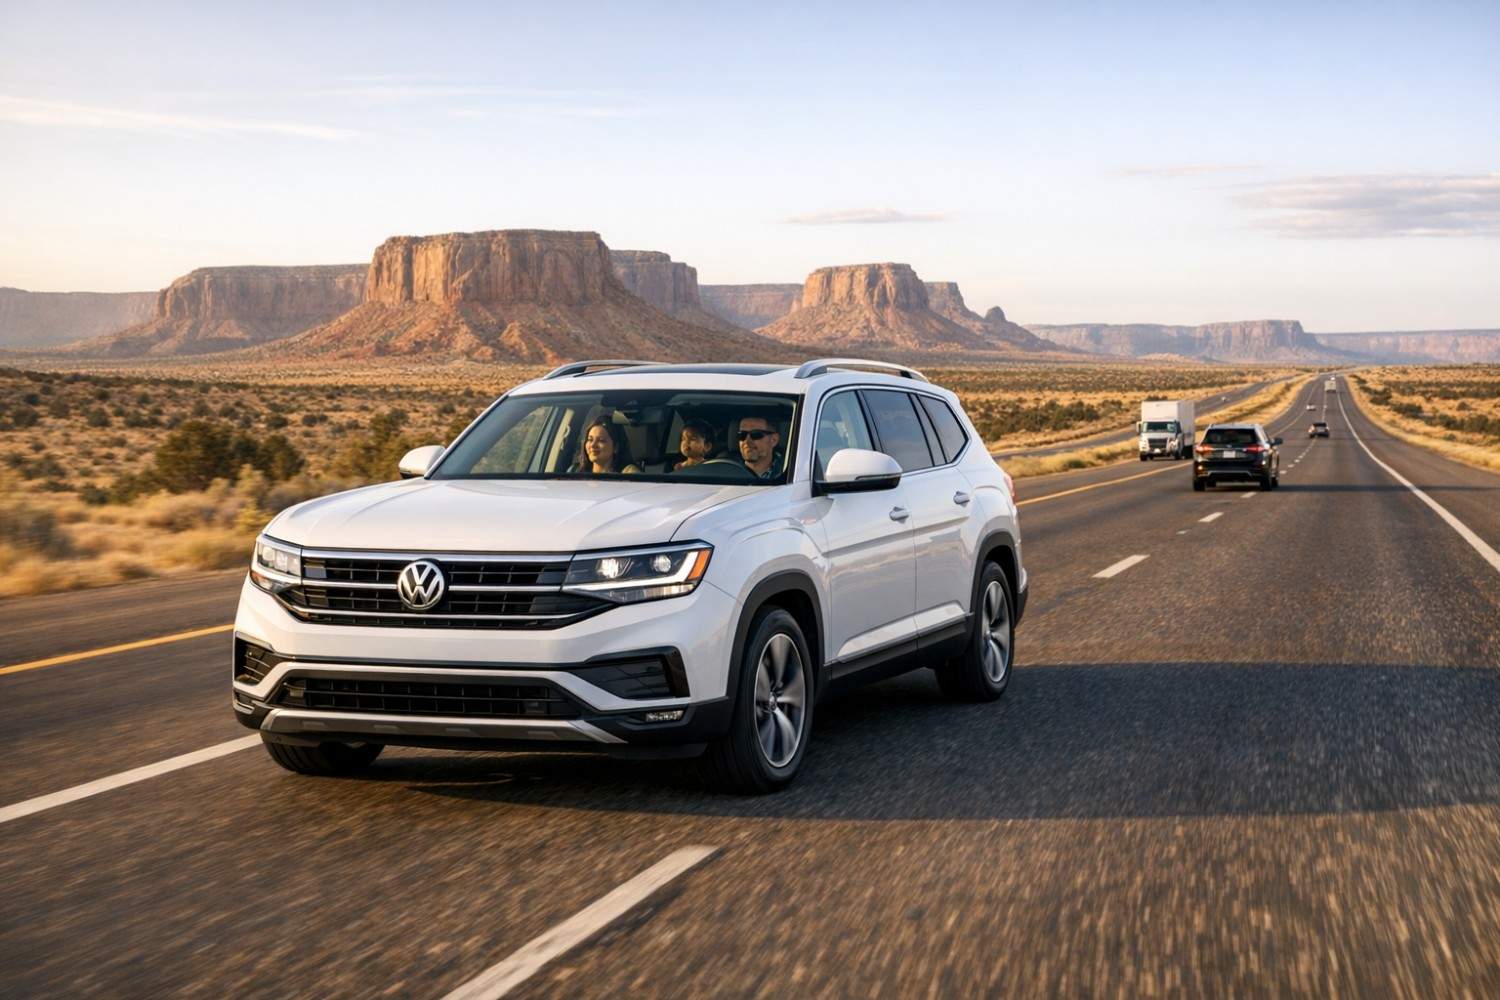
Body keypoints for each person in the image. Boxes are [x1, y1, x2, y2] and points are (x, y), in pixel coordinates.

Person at [575, 417, 640, 475]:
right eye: (590, 439)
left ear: (616, 447)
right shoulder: (576, 472)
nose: (593, 445)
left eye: (601, 440)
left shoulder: (629, 474)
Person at [736, 415, 783, 480]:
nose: (747, 441)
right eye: (742, 435)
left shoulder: (791, 472)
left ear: (774, 440)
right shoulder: (726, 471)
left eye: (756, 434)